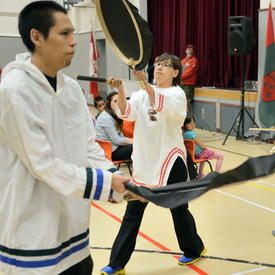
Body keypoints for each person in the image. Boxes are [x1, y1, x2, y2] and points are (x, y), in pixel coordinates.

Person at [0, 2, 128, 274]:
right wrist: (107, 184)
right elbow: (42, 164)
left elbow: (87, 146)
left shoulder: (71, 89)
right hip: (32, 233)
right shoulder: (14, 90)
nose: (74, 42)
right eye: (65, 34)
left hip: (75, 230)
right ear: (37, 37)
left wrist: (116, 178)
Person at [100, 53, 206, 275]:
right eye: (157, 64)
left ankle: (194, 248)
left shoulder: (177, 94)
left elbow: (162, 104)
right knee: (132, 213)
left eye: (166, 65)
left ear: (176, 72)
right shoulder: (139, 93)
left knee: (179, 211)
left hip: (170, 161)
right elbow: (126, 113)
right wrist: (120, 89)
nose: (159, 67)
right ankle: (116, 264)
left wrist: (144, 82)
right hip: (145, 162)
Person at [95, 91, 133, 162]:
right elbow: (117, 140)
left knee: (139, 146)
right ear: (109, 103)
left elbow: (120, 137)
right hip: (109, 152)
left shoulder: (115, 115)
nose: (118, 103)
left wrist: (132, 140)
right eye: (115, 101)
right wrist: (133, 142)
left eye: (120, 101)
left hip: (115, 147)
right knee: (137, 148)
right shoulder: (106, 117)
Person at [181, 45, 199, 112]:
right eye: (188, 49)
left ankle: (186, 119)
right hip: (181, 83)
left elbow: (190, 72)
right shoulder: (183, 61)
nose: (190, 51)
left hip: (188, 84)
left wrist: (180, 77)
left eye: (191, 50)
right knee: (181, 100)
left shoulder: (194, 60)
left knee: (187, 102)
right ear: (186, 51)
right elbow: (180, 70)